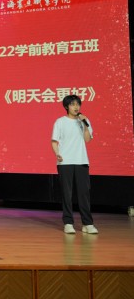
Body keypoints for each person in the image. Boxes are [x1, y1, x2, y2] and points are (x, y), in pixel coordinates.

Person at [52, 95, 98, 235]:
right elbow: (54, 141)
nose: (76, 107)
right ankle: (68, 223)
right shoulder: (60, 122)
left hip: (81, 160)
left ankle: (87, 223)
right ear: (67, 107)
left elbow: (87, 139)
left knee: (84, 193)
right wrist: (57, 153)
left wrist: (85, 124)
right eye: (72, 104)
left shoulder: (84, 121)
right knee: (67, 193)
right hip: (65, 161)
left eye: (78, 104)